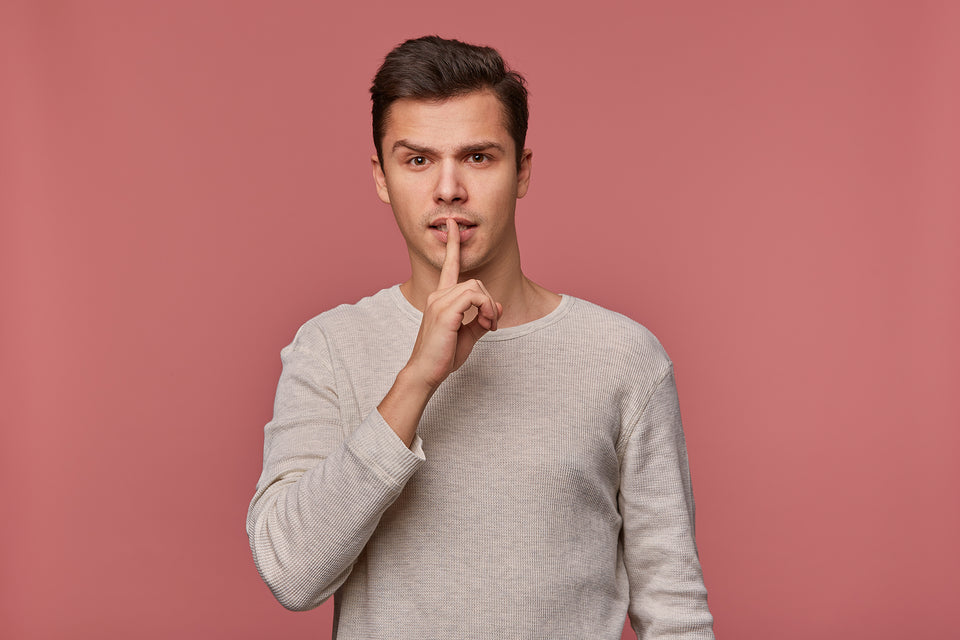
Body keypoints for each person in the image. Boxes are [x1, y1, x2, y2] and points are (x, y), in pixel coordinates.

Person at [247, 35, 715, 639]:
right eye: (417, 160)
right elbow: (291, 574)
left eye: (478, 157)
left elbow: (675, 611)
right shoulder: (329, 348)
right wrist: (417, 380)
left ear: (521, 171)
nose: (448, 189)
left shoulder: (623, 357)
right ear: (382, 176)